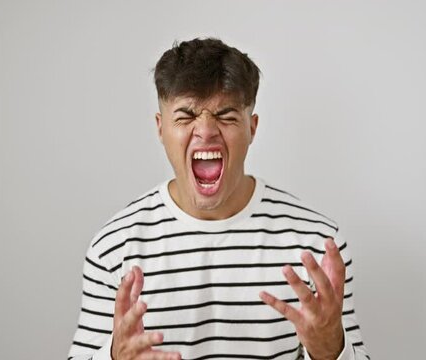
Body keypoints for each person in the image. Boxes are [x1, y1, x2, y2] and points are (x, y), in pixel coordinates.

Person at [68, 37, 370, 360]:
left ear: (252, 128)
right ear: (160, 128)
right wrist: (114, 357)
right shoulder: (113, 248)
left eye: (226, 116)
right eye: (186, 116)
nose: (206, 130)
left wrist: (330, 350)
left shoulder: (318, 245)